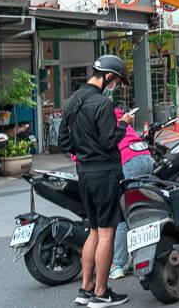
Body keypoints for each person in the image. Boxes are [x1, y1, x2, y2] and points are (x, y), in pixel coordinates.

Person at [58, 55, 132, 307]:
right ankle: (101, 292)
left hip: (84, 174)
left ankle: (85, 288)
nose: (116, 86)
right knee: (107, 232)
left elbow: (63, 142)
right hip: (105, 174)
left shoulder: (71, 101)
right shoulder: (102, 104)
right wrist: (123, 124)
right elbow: (110, 140)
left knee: (93, 230)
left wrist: (83, 152)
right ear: (109, 76)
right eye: (117, 81)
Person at [109, 108, 154, 280]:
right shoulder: (119, 116)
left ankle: (118, 264)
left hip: (128, 160)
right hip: (145, 156)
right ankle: (142, 257)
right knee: (143, 210)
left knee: (125, 213)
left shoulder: (102, 117)